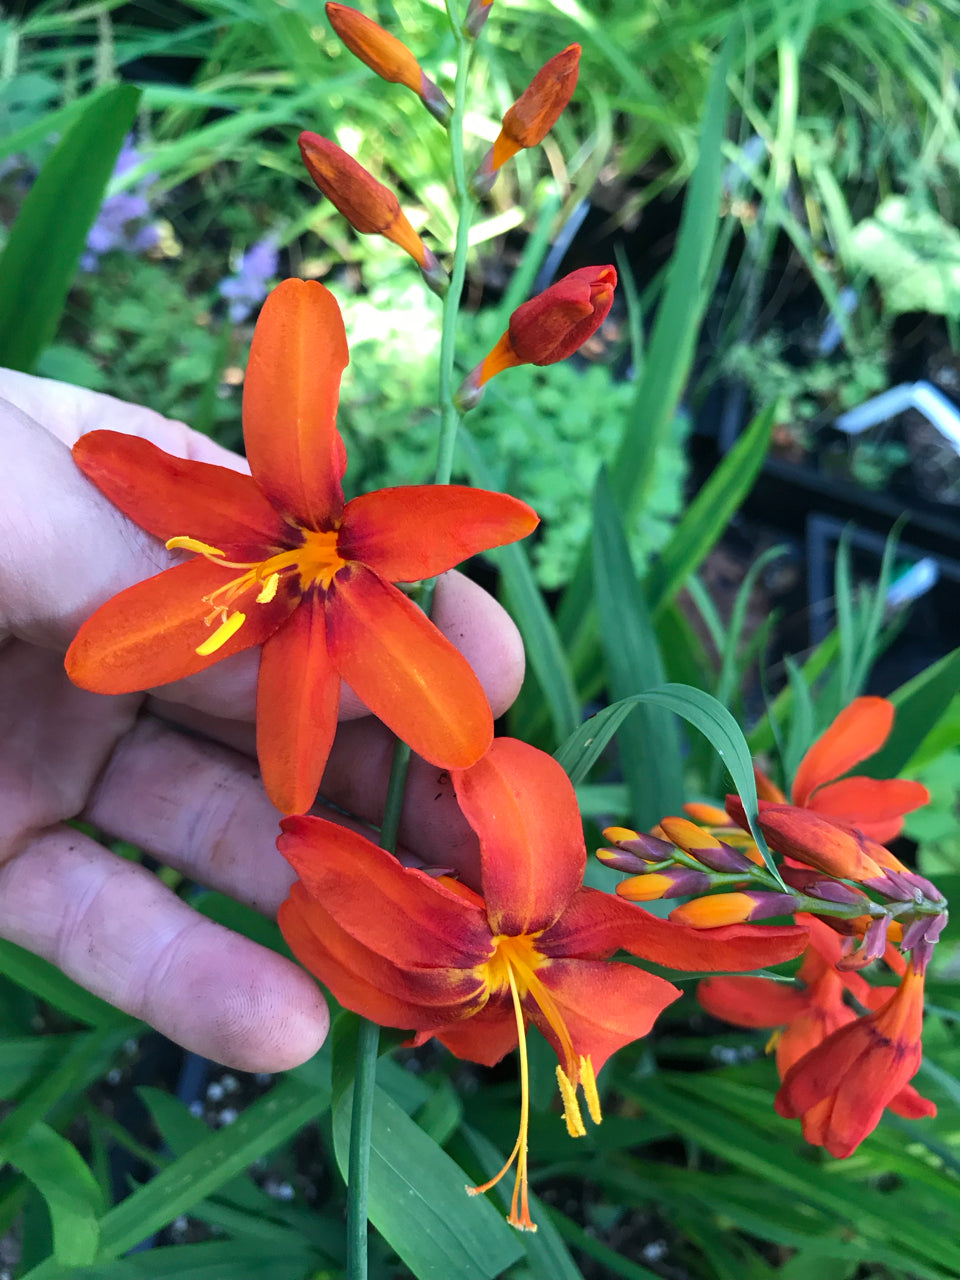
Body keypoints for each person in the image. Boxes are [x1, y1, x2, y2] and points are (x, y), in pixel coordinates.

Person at [0, 370, 527, 1071]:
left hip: (308, 595)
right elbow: (117, 470)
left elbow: (455, 728)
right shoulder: (283, 565)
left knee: (446, 719)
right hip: (254, 566)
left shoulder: (335, 581)